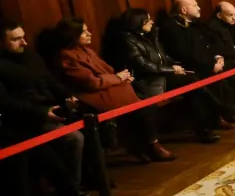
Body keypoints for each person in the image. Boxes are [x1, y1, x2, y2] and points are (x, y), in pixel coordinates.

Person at [0, 19, 97, 196]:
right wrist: (42, 113)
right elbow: (7, 104)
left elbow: (52, 82)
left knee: (90, 127)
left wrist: (68, 97)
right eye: (16, 39)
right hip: (23, 121)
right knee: (72, 139)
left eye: (23, 37)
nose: (24, 42)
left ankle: (79, 188)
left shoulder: (32, 57)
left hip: (50, 109)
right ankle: (74, 193)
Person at [53, 17, 176, 163]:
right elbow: (92, 82)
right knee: (143, 108)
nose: (89, 34)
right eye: (83, 32)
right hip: (92, 95)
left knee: (145, 103)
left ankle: (144, 144)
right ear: (72, 35)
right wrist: (117, 78)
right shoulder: (66, 56)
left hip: (107, 88)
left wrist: (122, 77)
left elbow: (107, 71)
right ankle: (151, 145)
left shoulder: (86, 50)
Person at [116, 8, 223, 143]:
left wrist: (177, 66)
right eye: (148, 20)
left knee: (194, 89)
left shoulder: (151, 35)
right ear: (138, 22)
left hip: (162, 76)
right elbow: (143, 66)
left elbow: (163, 57)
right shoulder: (128, 41)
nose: (152, 22)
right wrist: (171, 70)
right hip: (149, 81)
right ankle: (219, 110)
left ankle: (205, 130)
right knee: (193, 81)